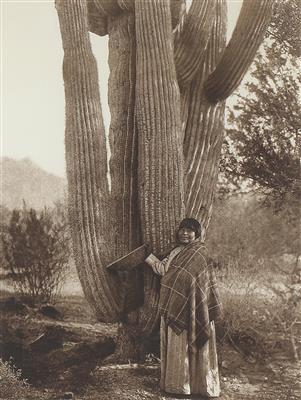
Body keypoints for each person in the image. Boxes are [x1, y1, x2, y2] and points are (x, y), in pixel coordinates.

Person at [145, 218, 222, 397]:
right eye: (182, 230)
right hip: (176, 305)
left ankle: (202, 387)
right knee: (178, 345)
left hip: (197, 307)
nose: (185, 233)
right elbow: (163, 269)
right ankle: (178, 386)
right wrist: (148, 257)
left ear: (197, 233)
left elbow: (205, 282)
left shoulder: (202, 253)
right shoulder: (176, 251)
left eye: (189, 230)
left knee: (199, 346)